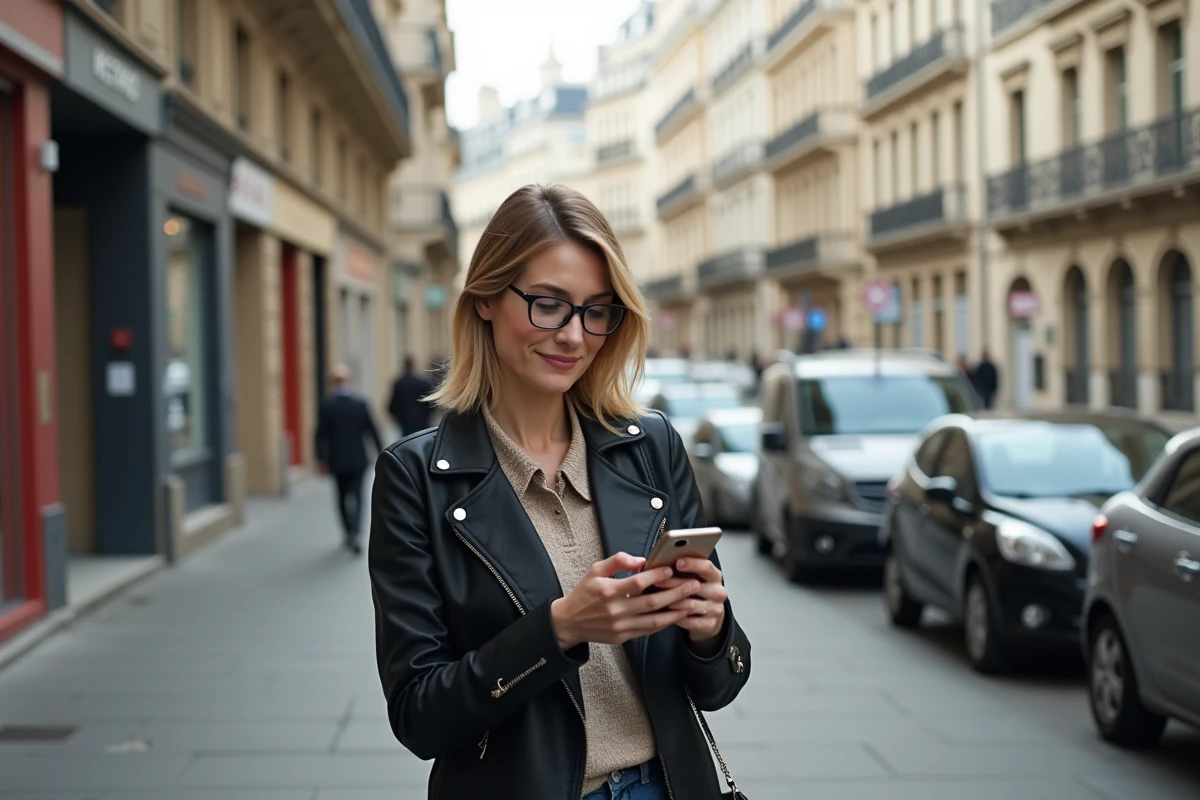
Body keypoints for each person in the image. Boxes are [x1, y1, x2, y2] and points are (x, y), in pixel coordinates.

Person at [368, 184, 751, 800]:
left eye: (597, 311)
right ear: (486, 298)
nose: (575, 335)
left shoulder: (651, 447)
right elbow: (419, 715)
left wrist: (710, 631)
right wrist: (559, 629)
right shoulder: (415, 477)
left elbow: (719, 686)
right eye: (549, 305)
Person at [315, 365, 382, 555]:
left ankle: (349, 531)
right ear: (349, 381)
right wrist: (381, 452)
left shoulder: (327, 406)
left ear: (331, 383)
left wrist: (320, 459)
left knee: (341, 497)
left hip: (337, 460)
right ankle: (356, 533)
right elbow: (372, 430)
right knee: (358, 497)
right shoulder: (360, 404)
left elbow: (320, 435)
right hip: (358, 459)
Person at [387, 356, 435, 437]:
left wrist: (400, 419)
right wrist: (426, 416)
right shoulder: (421, 382)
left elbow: (392, 406)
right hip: (421, 421)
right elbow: (430, 403)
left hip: (406, 422)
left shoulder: (399, 383)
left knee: (407, 441)